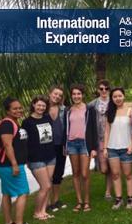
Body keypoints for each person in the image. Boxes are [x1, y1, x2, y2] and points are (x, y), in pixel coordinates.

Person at [0, 97, 36, 224]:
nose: (19, 110)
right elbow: (7, 145)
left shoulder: (13, 122)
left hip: (6, 165)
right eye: (15, 108)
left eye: (20, 107)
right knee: (23, 192)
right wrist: (14, 164)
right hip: (10, 165)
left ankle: (8, 222)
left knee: (6, 193)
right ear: (8, 111)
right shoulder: (7, 124)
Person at [22, 95, 56, 220]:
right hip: (36, 158)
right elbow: (24, 142)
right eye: (39, 105)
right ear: (33, 105)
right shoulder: (27, 122)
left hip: (51, 156)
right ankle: (37, 212)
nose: (41, 107)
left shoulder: (47, 118)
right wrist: (26, 159)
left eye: (43, 105)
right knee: (45, 186)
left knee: (48, 183)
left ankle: (43, 210)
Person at [65, 84, 97, 212]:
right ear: (71, 96)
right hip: (72, 144)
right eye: (74, 94)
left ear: (83, 95)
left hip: (85, 144)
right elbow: (65, 129)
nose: (76, 96)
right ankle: (79, 201)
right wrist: (65, 145)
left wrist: (93, 147)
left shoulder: (89, 109)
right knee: (75, 173)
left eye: (79, 94)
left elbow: (94, 129)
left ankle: (87, 201)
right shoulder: (68, 111)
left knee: (84, 174)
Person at [103, 87, 132, 210]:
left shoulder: (130, 111)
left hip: (126, 148)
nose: (117, 98)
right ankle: (118, 199)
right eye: (115, 96)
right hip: (112, 148)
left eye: (119, 96)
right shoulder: (110, 112)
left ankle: (130, 198)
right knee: (115, 174)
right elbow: (107, 131)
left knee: (128, 174)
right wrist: (105, 148)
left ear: (124, 96)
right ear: (112, 98)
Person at [88, 79, 112, 200]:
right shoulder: (92, 105)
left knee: (111, 166)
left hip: (112, 138)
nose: (104, 91)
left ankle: (108, 191)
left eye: (106, 89)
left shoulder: (113, 103)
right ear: (98, 89)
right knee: (104, 169)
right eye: (101, 88)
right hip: (99, 139)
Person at [47, 85, 67, 212]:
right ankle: (47, 202)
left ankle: (55, 200)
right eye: (55, 94)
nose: (57, 96)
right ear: (50, 93)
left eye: (60, 95)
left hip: (61, 146)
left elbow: (67, 129)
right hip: (46, 147)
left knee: (58, 174)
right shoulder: (42, 108)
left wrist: (66, 144)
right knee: (47, 175)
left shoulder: (64, 109)